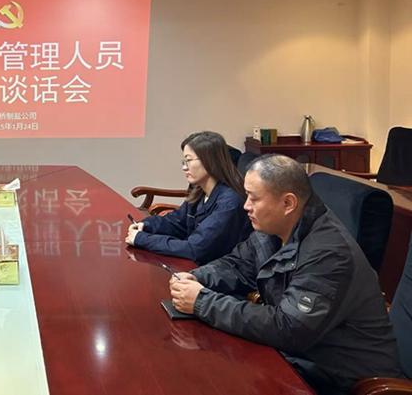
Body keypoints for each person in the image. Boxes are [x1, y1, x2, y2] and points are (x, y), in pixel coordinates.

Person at [169, 155, 403, 394]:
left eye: (254, 198)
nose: (245, 205)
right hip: (302, 360)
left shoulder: (329, 253)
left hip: (345, 381)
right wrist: (196, 277)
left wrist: (202, 302)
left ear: (288, 203)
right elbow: (237, 265)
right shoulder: (273, 228)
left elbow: (289, 329)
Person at [125, 131, 252, 264]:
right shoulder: (199, 190)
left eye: (189, 161)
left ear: (210, 162)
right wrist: (147, 226)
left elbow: (194, 249)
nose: (184, 168)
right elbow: (176, 222)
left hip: (217, 270)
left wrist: (142, 239)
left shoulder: (230, 203)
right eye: (184, 162)